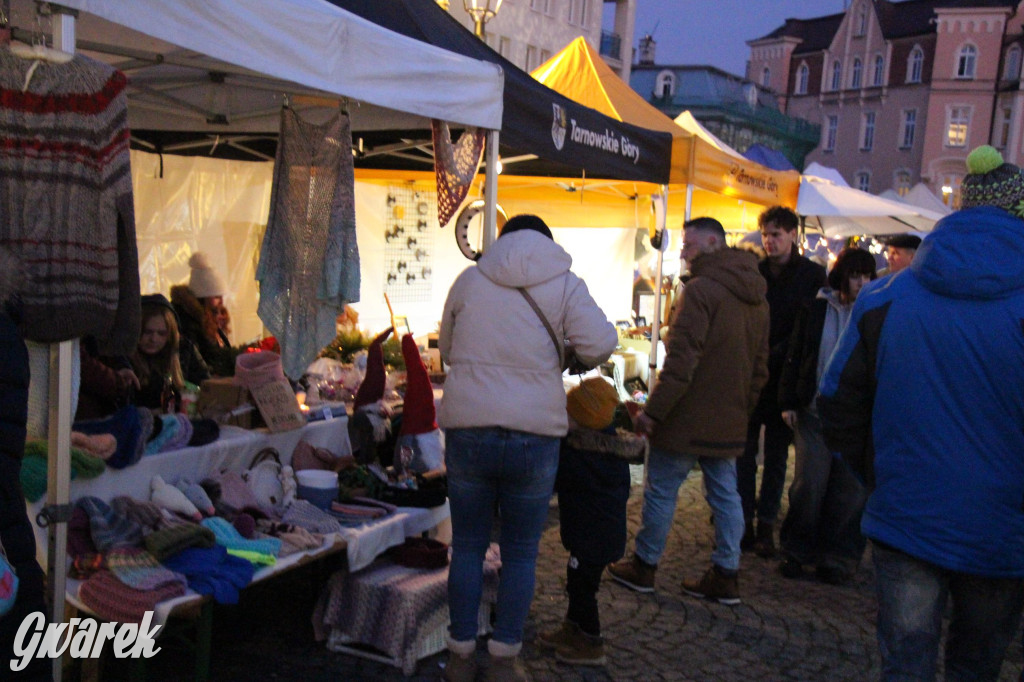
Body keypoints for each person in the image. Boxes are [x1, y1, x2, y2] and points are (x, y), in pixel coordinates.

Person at [818, 145, 1024, 680]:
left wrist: (878, 472)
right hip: (1002, 525)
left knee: (906, 664)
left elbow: (837, 402)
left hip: (907, 512)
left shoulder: (888, 297)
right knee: (976, 664)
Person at [438, 214, 617, 682]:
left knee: (469, 546)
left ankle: (458, 657)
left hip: (469, 427)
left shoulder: (470, 280)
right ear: (547, 244)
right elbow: (601, 343)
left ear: (501, 240)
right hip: (534, 435)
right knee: (519, 552)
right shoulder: (565, 284)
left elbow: (449, 351)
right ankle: (502, 661)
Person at [607, 217, 769, 605]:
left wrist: (653, 413)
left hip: (685, 415)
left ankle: (644, 567)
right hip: (728, 416)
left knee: (661, 491)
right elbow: (760, 366)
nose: (682, 252)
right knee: (727, 495)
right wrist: (741, 409)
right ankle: (727, 574)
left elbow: (681, 362)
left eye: (690, 246)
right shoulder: (757, 296)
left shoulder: (700, 292)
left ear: (714, 243)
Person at [777, 248, 876, 585]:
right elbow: (797, 354)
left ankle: (837, 557)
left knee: (849, 492)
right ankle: (796, 550)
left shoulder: (876, 313)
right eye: (855, 274)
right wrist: (789, 400)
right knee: (809, 484)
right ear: (842, 275)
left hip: (857, 420)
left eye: (867, 275)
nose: (862, 282)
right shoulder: (816, 308)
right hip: (815, 411)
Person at [535, 377, 645, 667]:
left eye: (569, 414)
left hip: (591, 538)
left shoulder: (580, 454)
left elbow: (558, 480)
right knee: (577, 581)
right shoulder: (609, 451)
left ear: (583, 420)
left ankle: (592, 643)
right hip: (598, 536)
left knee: (583, 588)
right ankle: (572, 629)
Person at [737, 206, 825, 558]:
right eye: (766, 234)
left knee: (775, 455)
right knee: (742, 452)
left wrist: (785, 354)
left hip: (786, 378)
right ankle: (741, 520)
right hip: (752, 372)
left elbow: (811, 330)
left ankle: (766, 524)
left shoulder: (812, 275)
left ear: (792, 235)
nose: (770, 241)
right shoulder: (754, 273)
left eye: (776, 234)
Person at [132, 294, 209, 412]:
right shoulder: (125, 359)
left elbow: (205, 386)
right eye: (147, 332)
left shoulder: (184, 350)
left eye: (161, 333)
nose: (154, 339)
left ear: (170, 335)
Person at [171, 252, 235, 376]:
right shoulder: (188, 321)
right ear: (202, 297)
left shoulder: (208, 317)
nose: (221, 301)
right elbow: (195, 361)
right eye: (216, 296)